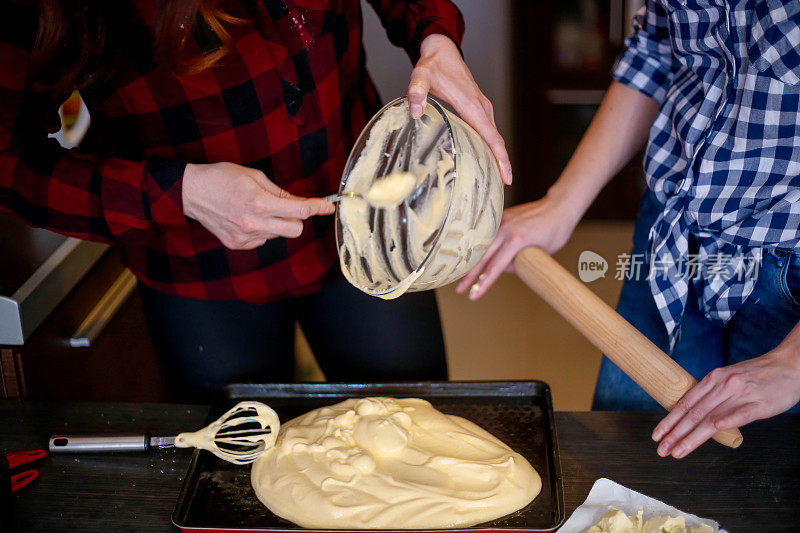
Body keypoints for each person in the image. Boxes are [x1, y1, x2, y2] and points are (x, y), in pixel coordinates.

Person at [0, 0, 511, 402]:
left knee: (419, 427)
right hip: (200, 267)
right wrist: (180, 192)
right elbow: (7, 160)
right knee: (242, 476)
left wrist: (435, 33)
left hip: (378, 232)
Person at [459, 0, 800, 458]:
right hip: (672, 234)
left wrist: (794, 363)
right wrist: (562, 204)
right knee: (627, 465)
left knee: (763, 488)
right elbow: (657, 48)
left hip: (788, 274)